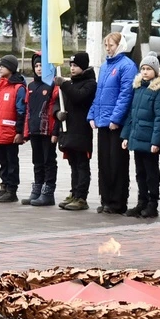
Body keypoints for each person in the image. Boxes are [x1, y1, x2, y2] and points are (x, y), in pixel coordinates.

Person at [88, 32, 136, 214]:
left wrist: (116, 118)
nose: (108, 49)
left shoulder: (127, 66)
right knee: (104, 163)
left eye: (111, 45)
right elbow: (99, 94)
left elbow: (125, 95)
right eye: (106, 46)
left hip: (116, 125)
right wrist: (92, 115)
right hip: (103, 122)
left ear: (120, 46)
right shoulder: (105, 66)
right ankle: (106, 198)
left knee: (117, 163)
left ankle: (118, 201)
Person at [120, 53, 160, 218]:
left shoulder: (159, 91)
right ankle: (141, 202)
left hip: (149, 140)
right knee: (140, 173)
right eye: (142, 68)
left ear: (155, 71)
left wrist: (156, 141)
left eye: (148, 69)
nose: (144, 72)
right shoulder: (138, 88)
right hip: (137, 138)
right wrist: (126, 136)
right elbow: (132, 114)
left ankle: (152, 204)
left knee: (151, 173)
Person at [53, 52, 97, 211]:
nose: (72, 68)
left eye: (76, 66)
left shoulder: (90, 84)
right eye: (71, 65)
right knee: (73, 164)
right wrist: (57, 113)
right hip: (68, 130)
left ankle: (81, 197)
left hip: (81, 131)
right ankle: (74, 192)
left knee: (82, 164)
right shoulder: (70, 83)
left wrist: (64, 85)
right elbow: (59, 102)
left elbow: (78, 97)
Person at [22, 53, 60, 206]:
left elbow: (57, 109)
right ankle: (37, 188)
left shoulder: (53, 85)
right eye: (36, 66)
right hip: (34, 128)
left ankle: (48, 191)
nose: (38, 69)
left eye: (42, 66)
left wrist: (55, 131)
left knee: (48, 160)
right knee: (37, 161)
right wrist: (26, 131)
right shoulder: (31, 86)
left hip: (47, 130)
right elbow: (28, 109)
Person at [0, 55, 26, 203]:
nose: (0, 68)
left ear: (11, 68)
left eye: (3, 66)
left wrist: (19, 131)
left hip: (10, 132)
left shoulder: (18, 88)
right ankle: (3, 187)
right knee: (3, 162)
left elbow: (21, 111)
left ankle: (12, 190)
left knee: (11, 162)